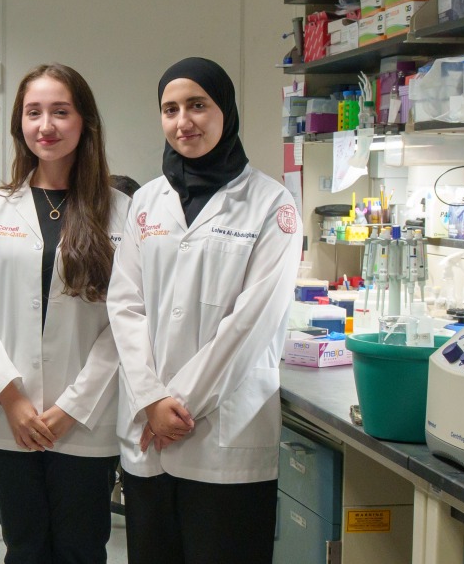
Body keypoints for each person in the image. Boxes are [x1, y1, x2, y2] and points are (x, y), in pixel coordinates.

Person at [108, 57, 301, 564]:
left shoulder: (271, 205)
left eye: (198, 105)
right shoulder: (146, 202)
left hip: (225, 437)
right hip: (150, 433)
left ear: (226, 111)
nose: (183, 121)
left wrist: (181, 404)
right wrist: (151, 397)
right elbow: (125, 304)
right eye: (169, 109)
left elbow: (253, 322)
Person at [0, 63, 127, 564]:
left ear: (84, 122)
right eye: (33, 113)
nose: (46, 125)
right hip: (8, 416)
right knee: (24, 547)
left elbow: (125, 321)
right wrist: (12, 399)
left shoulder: (121, 211)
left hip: (87, 419)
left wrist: (74, 405)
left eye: (60, 112)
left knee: (81, 549)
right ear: (19, 125)